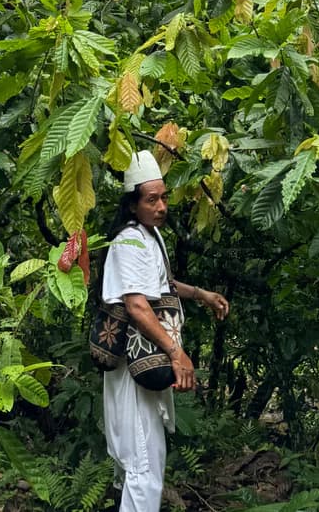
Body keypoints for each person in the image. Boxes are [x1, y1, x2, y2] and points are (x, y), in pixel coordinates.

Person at [100, 150, 230, 511]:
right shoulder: (128, 242)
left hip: (148, 363)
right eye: (151, 199)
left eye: (164, 197)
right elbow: (137, 305)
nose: (161, 206)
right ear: (132, 205)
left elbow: (163, 283)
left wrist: (200, 294)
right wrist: (177, 353)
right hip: (134, 368)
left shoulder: (150, 237)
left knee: (146, 465)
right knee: (144, 469)